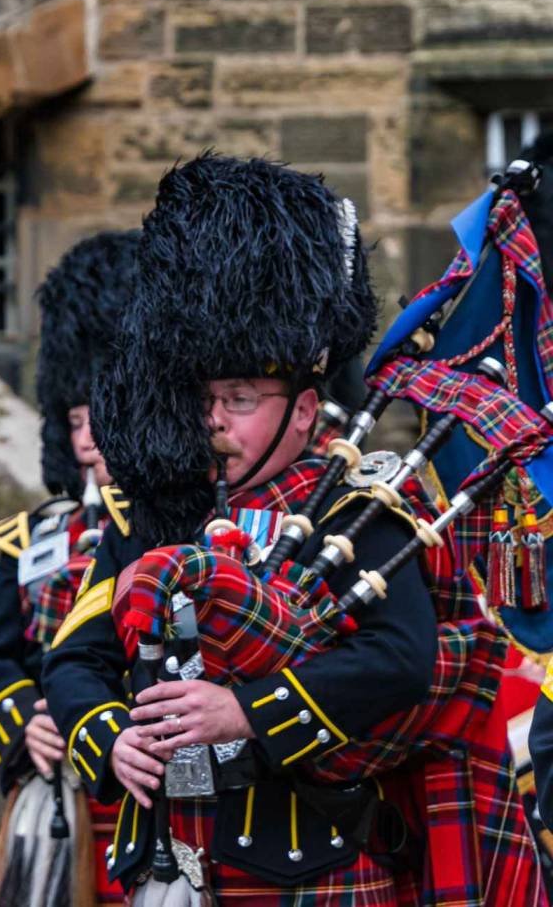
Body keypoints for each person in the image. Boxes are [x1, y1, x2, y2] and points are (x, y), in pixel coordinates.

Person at [44, 152, 543, 904]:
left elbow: (401, 658)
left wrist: (242, 710)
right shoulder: (149, 514)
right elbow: (74, 659)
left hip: (322, 863)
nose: (214, 418)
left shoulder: (359, 511)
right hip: (170, 861)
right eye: (205, 395)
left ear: (304, 411)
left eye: (241, 396)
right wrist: (110, 736)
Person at [0, 230, 137, 906]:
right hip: (56, 789)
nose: (88, 435)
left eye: (100, 415)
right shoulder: (36, 536)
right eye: (74, 418)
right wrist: (25, 721)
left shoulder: (167, 527)